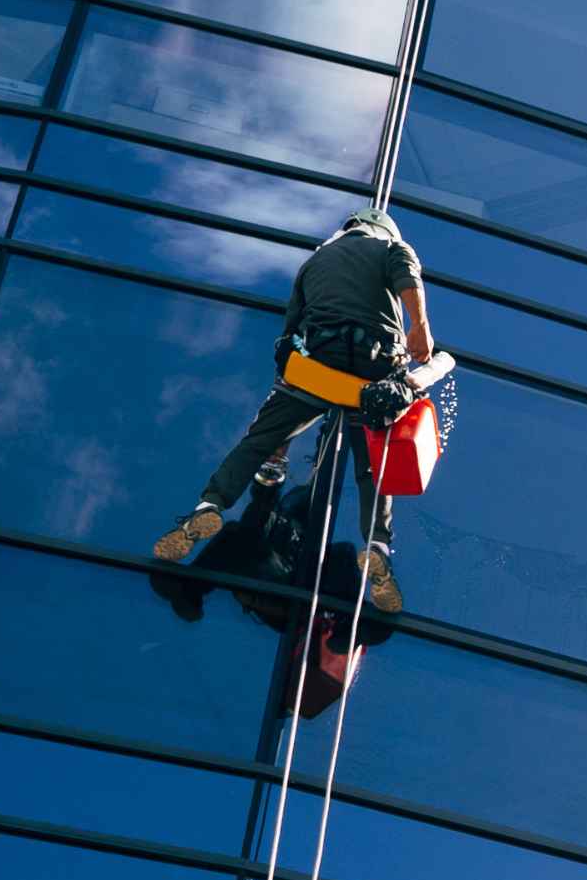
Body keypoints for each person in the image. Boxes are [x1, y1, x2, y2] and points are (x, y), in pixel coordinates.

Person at [153, 206, 435, 614]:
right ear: (381, 230)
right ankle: (377, 545)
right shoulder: (392, 247)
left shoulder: (314, 261)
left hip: (318, 363)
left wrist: (284, 408)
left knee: (258, 440)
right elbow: (408, 277)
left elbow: (289, 337)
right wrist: (419, 326)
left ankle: (209, 505)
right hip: (372, 374)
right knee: (372, 466)